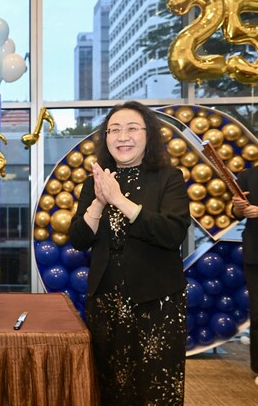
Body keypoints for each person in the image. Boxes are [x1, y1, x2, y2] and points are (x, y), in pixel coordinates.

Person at [68, 101, 190, 405]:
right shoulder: (94, 182)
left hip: (156, 302)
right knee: (109, 385)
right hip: (106, 302)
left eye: (132, 128)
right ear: (106, 138)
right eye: (114, 130)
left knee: (153, 386)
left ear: (148, 136)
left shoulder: (168, 177)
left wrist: (119, 200)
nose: (123, 136)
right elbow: (79, 240)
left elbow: (171, 233)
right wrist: (98, 200)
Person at [231, 168, 258, 384]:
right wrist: (238, 207)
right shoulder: (247, 176)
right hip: (255, 251)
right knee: (257, 312)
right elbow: (236, 212)